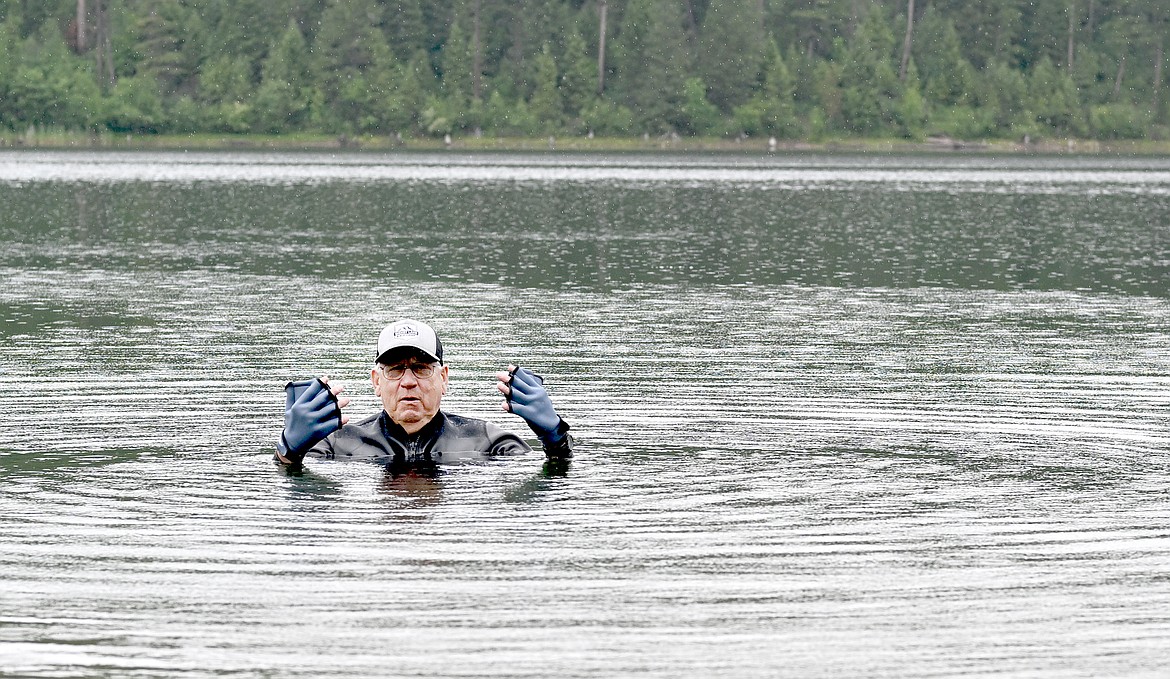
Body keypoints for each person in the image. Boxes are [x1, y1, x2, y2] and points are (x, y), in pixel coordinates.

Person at [274, 318, 572, 471]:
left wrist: (556, 442)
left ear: (443, 378)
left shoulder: (490, 442)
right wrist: (288, 454)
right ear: (376, 381)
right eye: (394, 369)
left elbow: (557, 488)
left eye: (421, 368)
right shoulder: (337, 444)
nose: (407, 382)